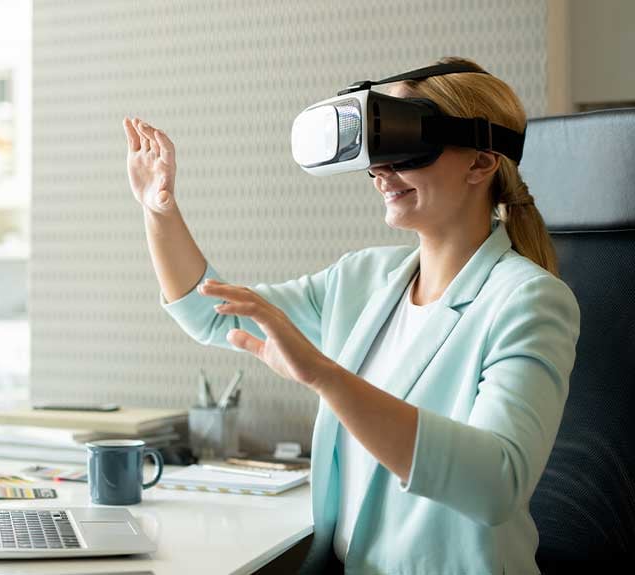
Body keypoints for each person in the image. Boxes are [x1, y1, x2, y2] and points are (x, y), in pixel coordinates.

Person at [123, 57, 580, 575]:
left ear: (480, 162)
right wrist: (158, 212)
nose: (380, 172)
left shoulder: (528, 299)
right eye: (376, 153)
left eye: (405, 146)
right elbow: (211, 316)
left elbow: (497, 484)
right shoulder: (361, 278)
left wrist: (324, 375)